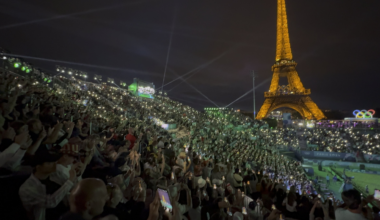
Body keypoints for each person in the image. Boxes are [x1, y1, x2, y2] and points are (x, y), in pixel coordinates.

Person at [19, 151, 76, 220]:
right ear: (38, 167)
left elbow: (72, 189)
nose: (54, 165)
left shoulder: (56, 175)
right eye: (49, 163)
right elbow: (50, 202)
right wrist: (69, 181)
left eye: (54, 162)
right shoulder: (27, 188)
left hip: (67, 213)